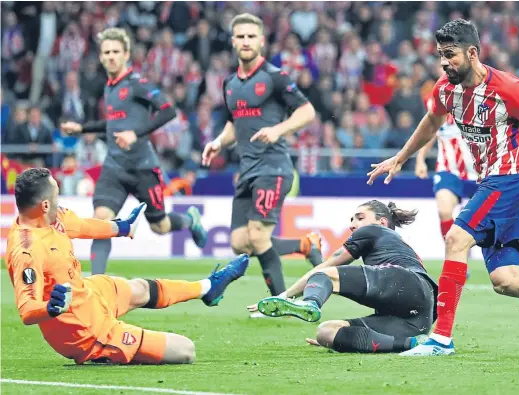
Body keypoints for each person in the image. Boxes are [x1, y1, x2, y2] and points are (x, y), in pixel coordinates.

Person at [367, 19, 519, 356]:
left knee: (456, 238)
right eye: (441, 54)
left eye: (450, 54)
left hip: (513, 178)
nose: (444, 61)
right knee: (506, 280)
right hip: (493, 181)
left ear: (472, 53)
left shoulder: (510, 88)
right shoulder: (445, 89)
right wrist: (401, 157)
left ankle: (440, 339)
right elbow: (431, 122)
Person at [5, 168, 249, 365]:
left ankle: (208, 287)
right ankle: (104, 353)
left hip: (88, 293)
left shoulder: (52, 217)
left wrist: (122, 228)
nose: (61, 203)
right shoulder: (27, 250)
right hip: (83, 332)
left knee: (141, 288)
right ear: (45, 205)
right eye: (57, 196)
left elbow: (81, 225)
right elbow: (27, 310)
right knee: (186, 350)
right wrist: (51, 307)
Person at [60, 27, 207, 275]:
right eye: (106, 52)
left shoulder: (138, 84)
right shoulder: (110, 87)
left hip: (142, 168)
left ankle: (190, 220)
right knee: (101, 221)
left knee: (159, 226)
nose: (111, 56)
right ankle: (97, 282)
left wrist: (135, 134)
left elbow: (168, 110)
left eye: (116, 51)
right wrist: (82, 128)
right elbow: (114, 125)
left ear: (126, 53)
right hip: (114, 167)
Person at [201, 14, 319, 306]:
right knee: (240, 243)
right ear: (232, 42)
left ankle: (279, 302)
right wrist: (217, 142)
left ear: (261, 41)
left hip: (273, 167)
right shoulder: (229, 83)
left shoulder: (275, 77)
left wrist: (277, 129)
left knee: (257, 235)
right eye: (240, 36)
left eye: (251, 36)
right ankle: (304, 245)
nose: (245, 41)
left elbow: (307, 112)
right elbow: (234, 123)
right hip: (247, 171)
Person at [253, 200, 437, 354]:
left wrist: (285, 296)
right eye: (352, 219)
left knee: (322, 275)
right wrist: (346, 340)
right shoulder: (399, 246)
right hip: (420, 317)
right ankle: (410, 344)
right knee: (326, 333)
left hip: (405, 282)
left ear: (382, 222)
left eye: (360, 217)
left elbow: (327, 267)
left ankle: (310, 303)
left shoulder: (373, 230)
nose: (352, 224)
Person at [415, 94, 477, 240]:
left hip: (480, 171)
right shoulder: (436, 100)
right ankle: (452, 251)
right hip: (448, 170)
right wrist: (420, 158)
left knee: (492, 219)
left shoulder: (480, 97)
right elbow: (430, 131)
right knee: (444, 211)